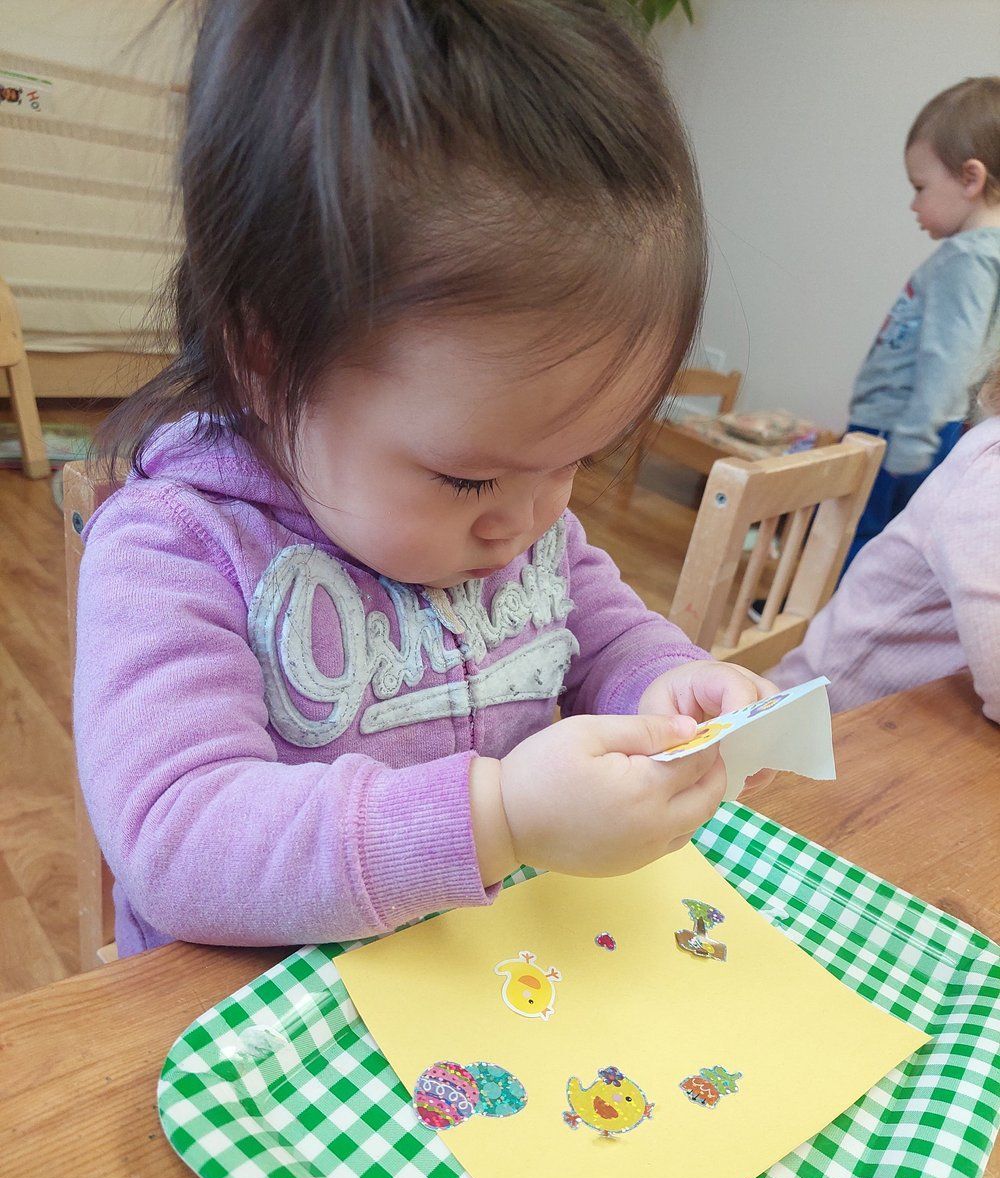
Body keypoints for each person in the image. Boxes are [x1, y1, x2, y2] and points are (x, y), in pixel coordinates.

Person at [75, 0, 775, 958]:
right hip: (275, 1035)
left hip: (490, 978)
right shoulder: (179, 550)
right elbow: (179, 838)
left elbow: (603, 633)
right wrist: (501, 817)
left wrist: (669, 686)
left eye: (576, 460)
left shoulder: (525, 522)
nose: (528, 521)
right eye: (465, 478)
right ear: (269, 365)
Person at [771, 360, 1000, 723]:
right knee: (867, 530)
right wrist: (916, 440)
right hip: (833, 717)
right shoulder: (990, 482)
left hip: (918, 710)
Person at [845, 76, 1000, 565]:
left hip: (900, 429)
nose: (914, 204)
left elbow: (948, 356)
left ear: (971, 179)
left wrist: (912, 440)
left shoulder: (965, 258)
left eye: (921, 187)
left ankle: (822, 623)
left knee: (858, 534)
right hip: (936, 429)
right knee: (890, 542)